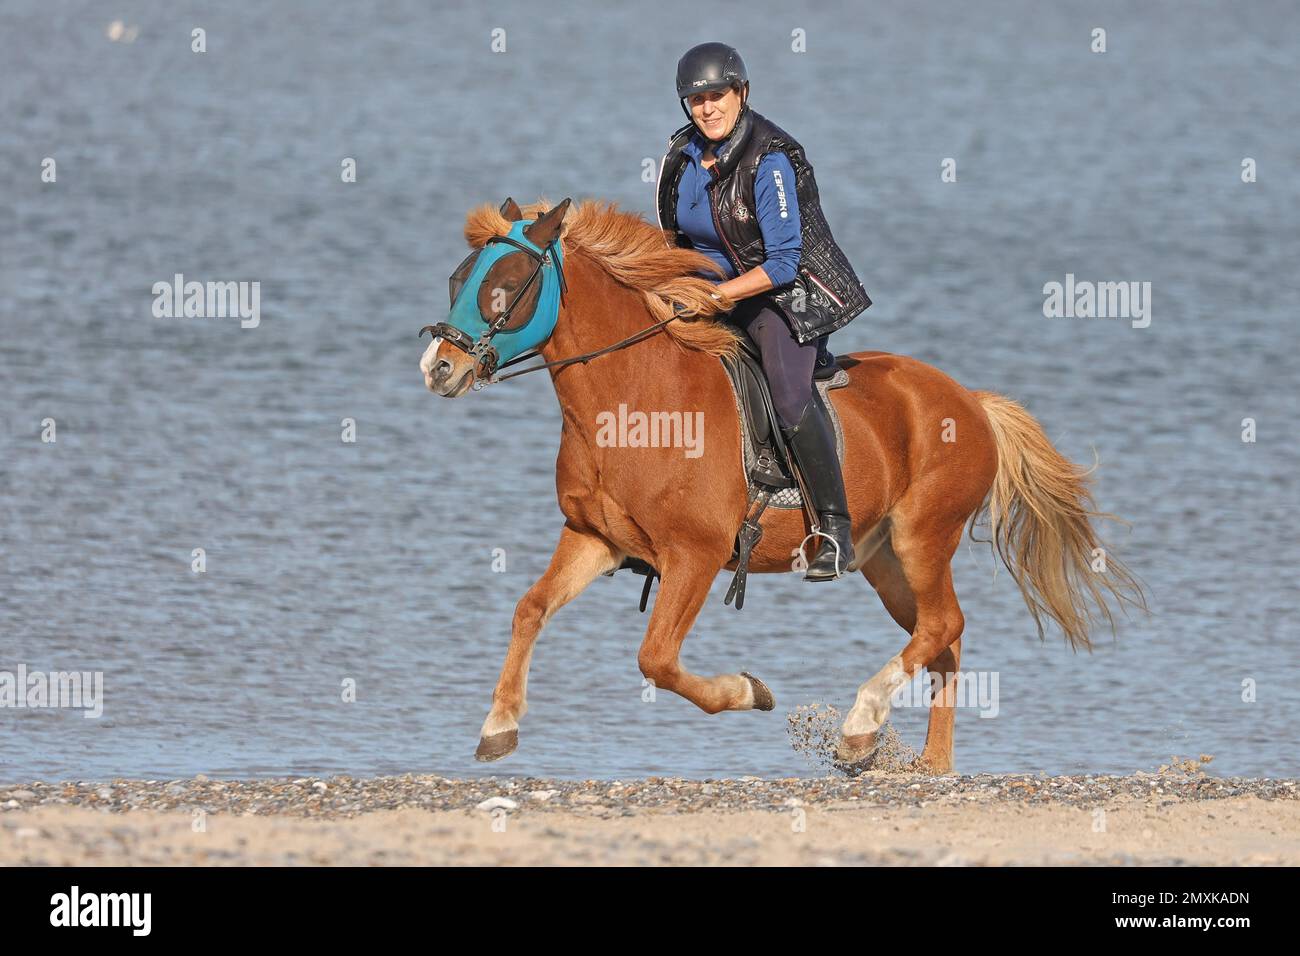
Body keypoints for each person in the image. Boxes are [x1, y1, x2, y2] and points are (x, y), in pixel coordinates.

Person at [655, 41, 872, 581]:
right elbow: (672, 237)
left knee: (789, 395)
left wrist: (719, 297)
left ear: (742, 93)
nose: (707, 108)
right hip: (711, 288)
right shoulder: (680, 157)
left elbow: (782, 263)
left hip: (784, 296)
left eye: (718, 95)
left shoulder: (770, 158)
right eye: (696, 98)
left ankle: (834, 528)